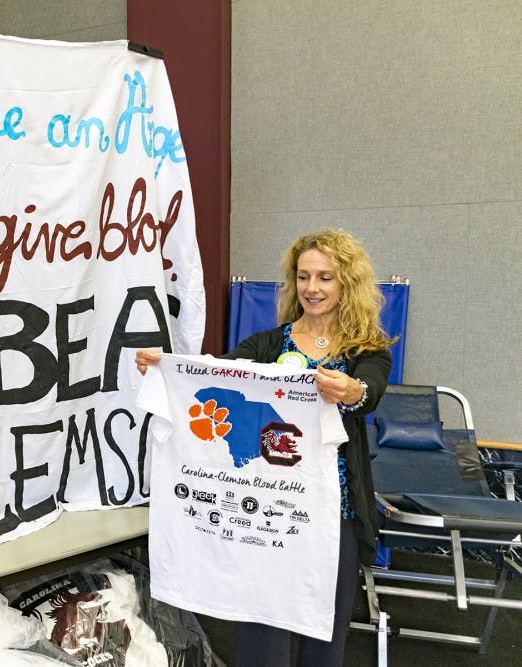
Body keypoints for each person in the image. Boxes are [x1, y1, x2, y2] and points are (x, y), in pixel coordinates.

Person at [136, 228, 393, 666]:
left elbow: (369, 392)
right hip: (268, 509)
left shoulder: (367, 350)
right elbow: (216, 376)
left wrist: (351, 391)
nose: (312, 288)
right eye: (304, 276)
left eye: (325, 278)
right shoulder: (267, 344)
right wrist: (169, 370)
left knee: (325, 633)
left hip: (337, 516)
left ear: (347, 282)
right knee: (261, 624)